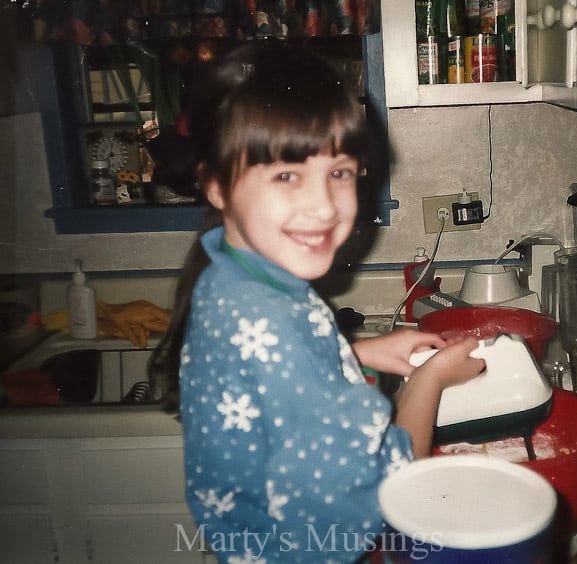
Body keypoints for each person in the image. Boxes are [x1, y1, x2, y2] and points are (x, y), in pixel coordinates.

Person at [149, 41, 484, 563]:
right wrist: (431, 379)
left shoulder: (236, 274)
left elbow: (277, 360)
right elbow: (384, 496)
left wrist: (364, 351)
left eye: (340, 172)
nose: (324, 205)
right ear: (216, 186)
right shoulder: (267, 315)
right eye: (286, 175)